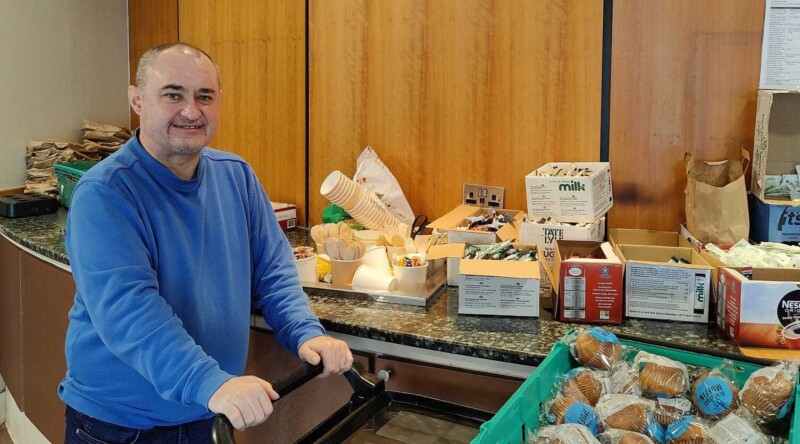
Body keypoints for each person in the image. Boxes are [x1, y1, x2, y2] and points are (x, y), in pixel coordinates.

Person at [59, 42, 353, 443]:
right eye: (173, 95)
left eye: (205, 96)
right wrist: (209, 381)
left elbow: (273, 270)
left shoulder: (237, 175)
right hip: (122, 424)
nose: (191, 111)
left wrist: (306, 331)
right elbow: (129, 312)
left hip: (208, 408)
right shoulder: (105, 193)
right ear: (137, 100)